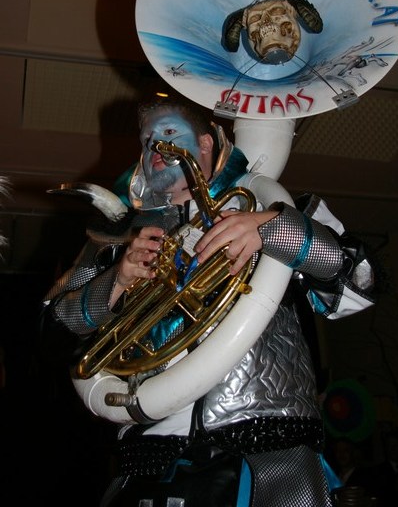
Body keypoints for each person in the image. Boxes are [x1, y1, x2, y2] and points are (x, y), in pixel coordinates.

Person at [40, 97, 376, 507]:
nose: (156, 146)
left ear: (204, 144)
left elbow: (361, 282)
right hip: (150, 455)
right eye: (146, 140)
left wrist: (272, 229)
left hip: (269, 452)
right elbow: (51, 329)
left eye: (169, 133)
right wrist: (117, 280)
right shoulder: (113, 239)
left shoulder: (275, 208)